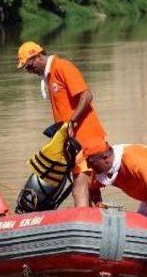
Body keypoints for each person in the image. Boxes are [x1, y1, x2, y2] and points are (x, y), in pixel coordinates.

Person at [17, 41, 106, 207]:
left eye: (28, 67)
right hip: (74, 143)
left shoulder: (62, 67)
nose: (29, 71)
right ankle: (98, 222)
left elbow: (86, 96)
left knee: (79, 188)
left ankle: (84, 226)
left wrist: (72, 122)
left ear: (36, 57)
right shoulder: (49, 77)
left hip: (85, 139)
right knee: (91, 188)